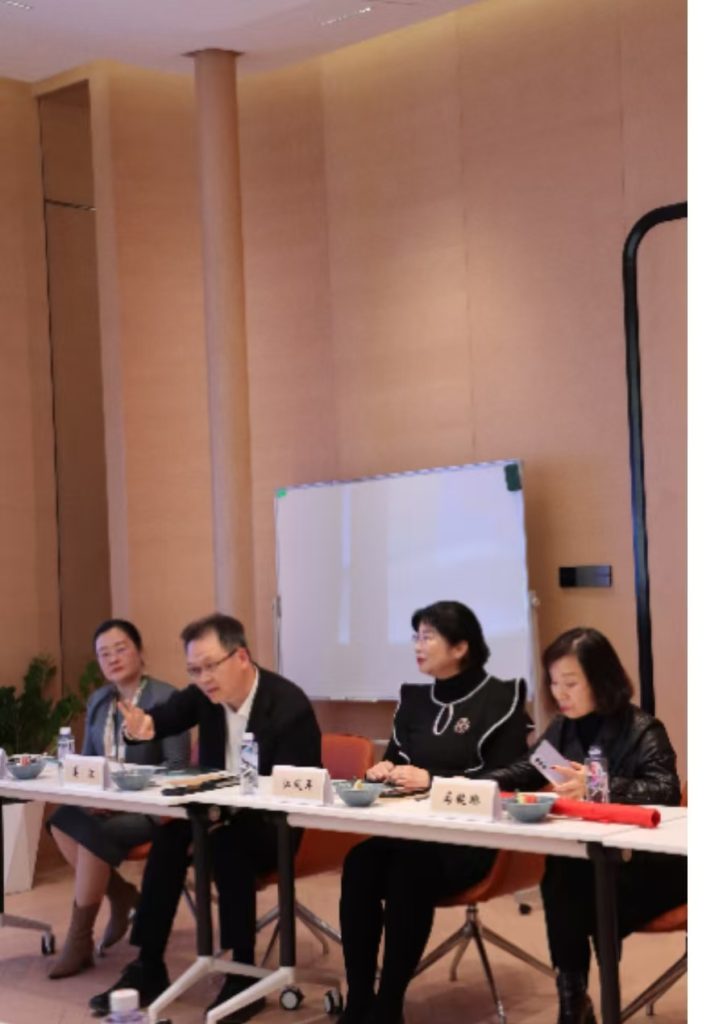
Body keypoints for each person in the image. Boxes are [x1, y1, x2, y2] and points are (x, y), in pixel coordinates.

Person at [89, 612, 322, 1024]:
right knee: (170, 836)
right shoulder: (203, 696)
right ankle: (148, 964)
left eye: (210, 666)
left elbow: (296, 789)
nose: (203, 678)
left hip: (275, 825)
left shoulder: (288, 706)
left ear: (241, 657)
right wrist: (143, 726)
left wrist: (228, 810)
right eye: (194, 670)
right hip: (218, 813)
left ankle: (242, 971)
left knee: (227, 842)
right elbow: (163, 717)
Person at [339, 600, 530, 1024]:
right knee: (360, 863)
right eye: (416, 637)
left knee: (409, 871)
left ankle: (389, 1004)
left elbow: (510, 777)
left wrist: (433, 780)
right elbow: (396, 760)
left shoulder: (501, 699)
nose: (417, 646)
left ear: (460, 647)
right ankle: (359, 999)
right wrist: (383, 770)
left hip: (473, 839)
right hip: (410, 830)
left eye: (428, 637)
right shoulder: (414, 699)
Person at [486, 627, 687, 1024]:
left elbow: (665, 791)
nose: (560, 693)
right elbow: (527, 769)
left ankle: (578, 1005)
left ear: (601, 679)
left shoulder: (642, 729)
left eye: (571, 683)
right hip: (594, 863)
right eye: (554, 682)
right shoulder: (564, 728)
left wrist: (599, 786)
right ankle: (572, 999)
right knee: (564, 873)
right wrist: (473, 784)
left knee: (574, 883)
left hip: (651, 866)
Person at [47, 619, 190, 979]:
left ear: (140, 652)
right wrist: (93, 795)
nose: (112, 658)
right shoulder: (99, 701)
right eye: (103, 654)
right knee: (61, 822)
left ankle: (79, 939)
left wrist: (125, 796)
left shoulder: (166, 698)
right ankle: (121, 894)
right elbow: (89, 762)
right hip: (105, 806)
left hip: (150, 810)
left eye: (121, 648)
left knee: (90, 836)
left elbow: (176, 769)